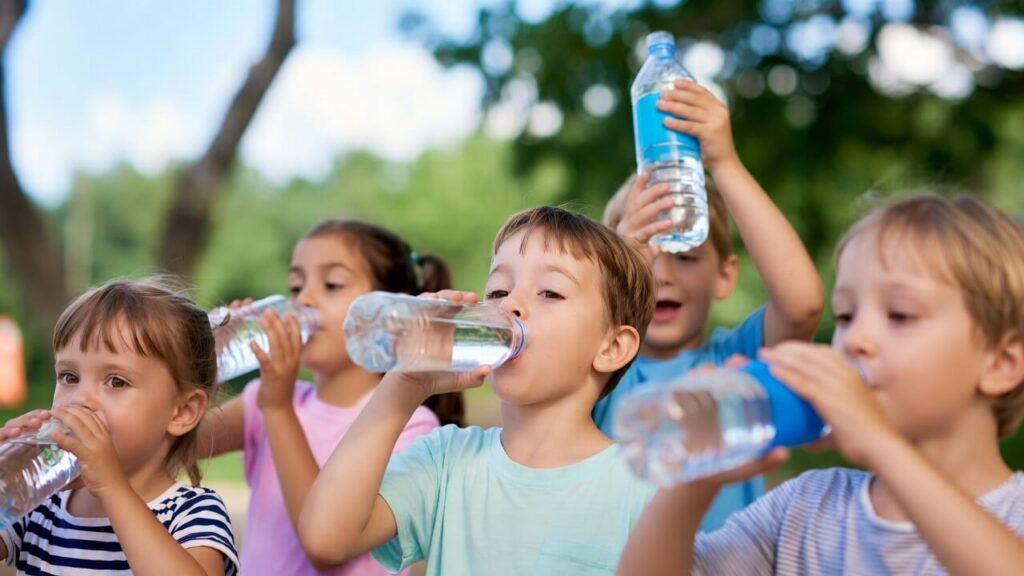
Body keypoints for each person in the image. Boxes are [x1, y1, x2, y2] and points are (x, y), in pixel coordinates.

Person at [617, 194, 1024, 575]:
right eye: (846, 316)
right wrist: (694, 479)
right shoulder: (804, 506)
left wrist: (882, 445)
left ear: (1001, 363)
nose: (855, 339)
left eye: (899, 314)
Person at [298, 206, 658, 575]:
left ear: (612, 347)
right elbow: (325, 540)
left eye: (549, 292)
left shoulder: (643, 490)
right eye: (499, 289)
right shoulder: (445, 461)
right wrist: (405, 384)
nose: (510, 304)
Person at [594, 78, 824, 530]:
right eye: (643, 256)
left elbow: (802, 305)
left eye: (686, 254)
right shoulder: (594, 369)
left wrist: (725, 162)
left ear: (725, 276)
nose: (661, 273)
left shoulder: (735, 362)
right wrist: (617, 269)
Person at [197, 220, 464, 575]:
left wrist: (277, 409)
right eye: (296, 285)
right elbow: (171, 439)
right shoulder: (265, 399)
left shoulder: (409, 425)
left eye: (332, 284)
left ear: (389, 312)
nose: (303, 299)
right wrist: (204, 364)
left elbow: (324, 547)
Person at [0, 278, 239, 575]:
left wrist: (112, 487)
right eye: (69, 377)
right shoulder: (40, 503)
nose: (81, 400)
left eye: (116, 382)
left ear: (182, 412)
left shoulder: (193, 514)